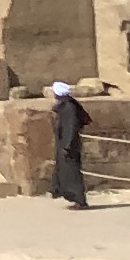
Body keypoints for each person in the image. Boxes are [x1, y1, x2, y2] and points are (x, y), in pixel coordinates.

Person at [49, 79, 89, 209]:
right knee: (65, 172)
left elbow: (71, 127)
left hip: (69, 145)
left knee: (72, 174)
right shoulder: (65, 105)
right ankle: (70, 196)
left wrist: (67, 145)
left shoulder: (69, 107)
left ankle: (80, 200)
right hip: (64, 144)